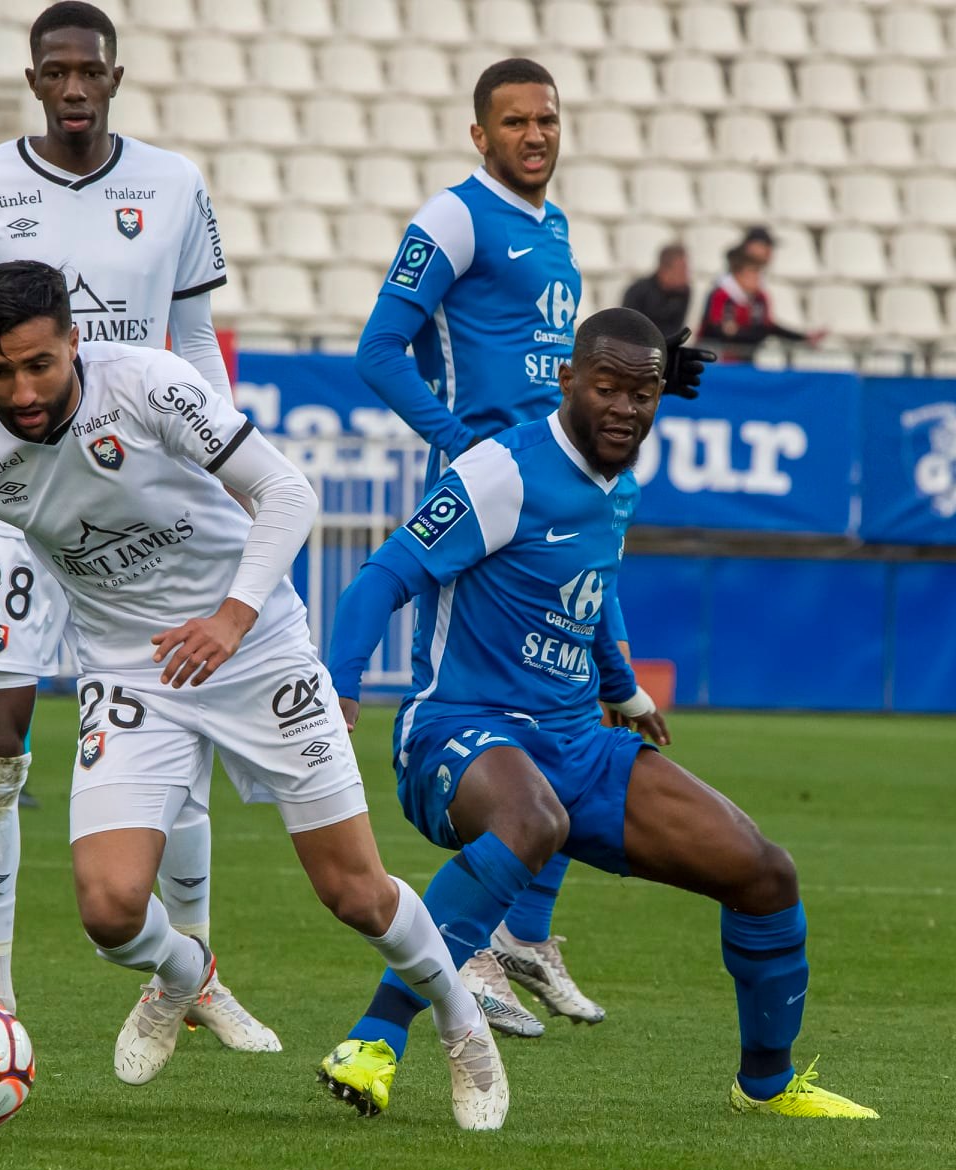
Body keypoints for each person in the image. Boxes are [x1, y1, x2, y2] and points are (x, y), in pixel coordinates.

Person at [0, 260, 507, 1128]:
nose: (23, 391)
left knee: (355, 892)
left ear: (75, 341)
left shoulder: (149, 384)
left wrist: (232, 616)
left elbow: (286, 491)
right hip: (130, 673)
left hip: (257, 650)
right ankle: (187, 975)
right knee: (109, 911)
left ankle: (459, 1023)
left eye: (39, 364)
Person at [316, 308, 877, 1122]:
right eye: (607, 388)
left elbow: (593, 592)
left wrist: (623, 689)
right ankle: (375, 1040)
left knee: (764, 872)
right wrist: (340, 683)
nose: (624, 408)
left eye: (641, 394)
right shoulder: (502, 470)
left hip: (575, 742)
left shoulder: (622, 487)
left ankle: (766, 1084)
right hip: (459, 727)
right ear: (567, 379)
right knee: (532, 819)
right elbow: (382, 577)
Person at [0, 0, 276, 1050]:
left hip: (141, 501)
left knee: (176, 725)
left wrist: (222, 456)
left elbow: (193, 337)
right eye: (57, 71)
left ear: (115, 78)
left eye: (91, 71)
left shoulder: (173, 184)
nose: (76, 87)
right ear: (35, 80)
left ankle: (194, 973)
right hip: (10, 497)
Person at [354, 56, 712, 1038]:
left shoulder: (554, 230)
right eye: (513, 122)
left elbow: (542, 356)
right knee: (503, 713)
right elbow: (380, 349)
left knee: (569, 701)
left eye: (546, 119)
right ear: (480, 135)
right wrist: (459, 441)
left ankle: (522, 937)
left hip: (563, 484)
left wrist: (658, 367)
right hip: (494, 499)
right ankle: (468, 951)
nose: (534, 135)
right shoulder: (455, 217)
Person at [696, 244, 820, 364]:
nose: (757, 278)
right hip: (716, 362)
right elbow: (715, 330)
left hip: (747, 361)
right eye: (752, 273)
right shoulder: (720, 296)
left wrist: (803, 338)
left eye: (758, 273)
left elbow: (767, 328)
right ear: (737, 275)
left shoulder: (760, 298)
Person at [620, 242, 691, 341]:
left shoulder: (683, 292)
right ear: (665, 270)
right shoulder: (637, 292)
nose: (687, 275)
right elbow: (627, 329)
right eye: (682, 269)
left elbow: (676, 330)